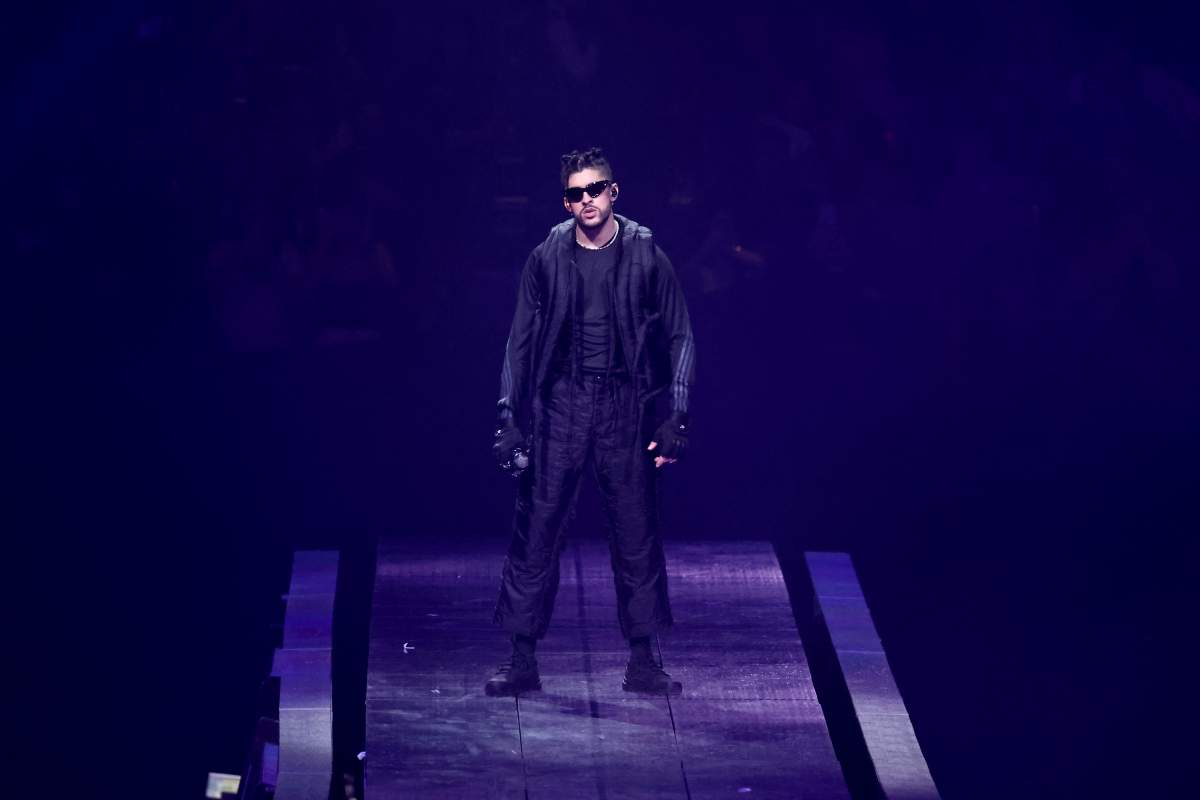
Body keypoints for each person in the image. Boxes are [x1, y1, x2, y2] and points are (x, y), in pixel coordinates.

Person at [487, 147, 696, 696]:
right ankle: (521, 660)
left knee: (636, 531)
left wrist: (676, 414)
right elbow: (518, 341)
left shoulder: (646, 253)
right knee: (538, 527)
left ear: (613, 192)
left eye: (596, 189)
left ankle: (644, 662)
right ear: (566, 201)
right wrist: (508, 416)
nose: (587, 200)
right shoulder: (547, 256)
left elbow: (680, 333)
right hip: (563, 401)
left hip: (625, 404)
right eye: (576, 193)